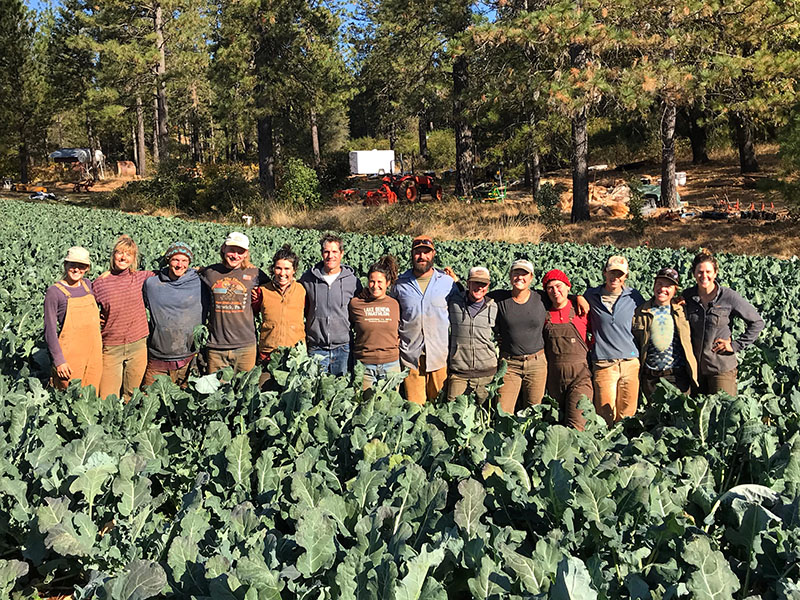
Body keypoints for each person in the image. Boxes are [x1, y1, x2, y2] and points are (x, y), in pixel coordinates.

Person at [682, 253, 764, 396]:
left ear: (715, 273)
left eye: (708, 272)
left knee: (722, 413)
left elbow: (757, 322)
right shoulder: (688, 296)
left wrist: (735, 345)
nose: (704, 276)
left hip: (720, 367)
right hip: (694, 370)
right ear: (694, 274)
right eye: (700, 272)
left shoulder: (728, 296)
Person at [393, 235, 459, 404]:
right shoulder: (399, 283)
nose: (422, 256)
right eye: (418, 253)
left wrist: (459, 283)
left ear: (433, 254)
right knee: (414, 409)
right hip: (411, 357)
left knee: (440, 407)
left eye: (426, 252)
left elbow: (461, 311)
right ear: (412, 254)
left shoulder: (447, 283)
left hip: (439, 355)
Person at [93, 235, 155, 400]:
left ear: (134, 258)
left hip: (138, 345)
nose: (123, 257)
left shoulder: (142, 277)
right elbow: (90, 312)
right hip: (111, 348)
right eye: (119, 253)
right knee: (106, 397)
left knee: (132, 395)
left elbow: (168, 275)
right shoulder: (100, 283)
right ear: (113, 255)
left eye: (128, 254)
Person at [584, 255, 645, 425]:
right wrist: (578, 298)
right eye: (612, 273)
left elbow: (652, 310)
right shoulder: (591, 295)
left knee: (628, 414)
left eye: (620, 274)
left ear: (625, 276)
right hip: (604, 363)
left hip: (630, 362)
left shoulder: (634, 297)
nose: (615, 278)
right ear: (605, 273)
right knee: (604, 414)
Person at [201, 232, 268, 374]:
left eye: (240, 252)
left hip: (245, 347)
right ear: (224, 248)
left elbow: (273, 290)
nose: (235, 255)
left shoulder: (255, 274)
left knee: (245, 392)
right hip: (216, 347)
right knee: (215, 394)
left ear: (246, 254)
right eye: (232, 250)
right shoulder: (210, 272)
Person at [489, 259, 550, 414]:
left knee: (534, 412)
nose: (519, 277)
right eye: (516, 273)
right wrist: (457, 282)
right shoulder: (499, 298)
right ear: (510, 276)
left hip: (537, 363)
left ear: (531, 277)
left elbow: (562, 296)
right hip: (509, 365)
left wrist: (579, 297)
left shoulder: (541, 298)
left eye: (524, 274)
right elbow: (475, 294)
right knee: (503, 411)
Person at [142, 242, 206, 387]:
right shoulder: (152, 284)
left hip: (189, 358)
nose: (179, 265)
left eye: (184, 260)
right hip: (159, 357)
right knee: (150, 399)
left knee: (185, 404)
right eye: (175, 259)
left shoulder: (200, 281)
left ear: (189, 263)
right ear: (168, 260)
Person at [300, 233, 362, 376]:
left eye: (334, 252)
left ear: (341, 254)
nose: (330, 256)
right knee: (314, 392)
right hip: (316, 347)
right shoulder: (308, 279)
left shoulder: (352, 281)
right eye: (327, 252)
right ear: (322, 253)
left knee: (340, 391)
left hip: (343, 347)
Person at [632, 267, 698, 399]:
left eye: (668, 286)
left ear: (675, 290)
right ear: (654, 285)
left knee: (679, 416)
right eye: (659, 284)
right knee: (654, 417)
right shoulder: (640, 312)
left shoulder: (683, 310)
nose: (662, 289)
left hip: (677, 376)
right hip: (650, 377)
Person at [43, 247, 102, 391]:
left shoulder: (88, 285)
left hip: (94, 355)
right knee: (68, 399)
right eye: (72, 265)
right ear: (65, 265)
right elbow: (49, 330)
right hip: (70, 357)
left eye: (81, 266)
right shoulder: (54, 292)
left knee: (91, 398)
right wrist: (59, 361)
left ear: (87, 268)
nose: (76, 269)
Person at [541, 269, 592, 430]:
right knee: (555, 428)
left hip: (580, 377)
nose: (555, 291)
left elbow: (600, 334)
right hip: (553, 380)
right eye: (550, 288)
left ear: (568, 287)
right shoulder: (543, 314)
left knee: (577, 425)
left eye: (559, 286)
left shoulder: (581, 311)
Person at [446, 266, 498, 403]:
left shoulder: (494, 306)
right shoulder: (454, 303)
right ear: (468, 283)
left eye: (484, 284)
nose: (480, 287)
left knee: (485, 418)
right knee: (453, 415)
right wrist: (454, 281)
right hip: (459, 373)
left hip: (487, 373)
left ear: (488, 285)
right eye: (475, 282)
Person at [349, 255, 402, 389]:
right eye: (372, 281)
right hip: (365, 365)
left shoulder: (395, 304)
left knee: (390, 407)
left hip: (391, 365)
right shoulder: (356, 304)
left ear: (387, 283)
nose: (375, 286)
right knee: (363, 405)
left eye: (380, 282)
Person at [256, 244, 306, 370]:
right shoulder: (262, 291)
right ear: (273, 269)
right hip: (268, 354)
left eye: (287, 268)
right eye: (278, 268)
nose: (282, 273)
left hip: (295, 355)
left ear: (294, 270)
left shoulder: (302, 290)